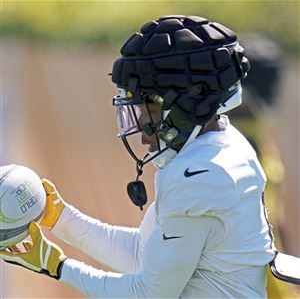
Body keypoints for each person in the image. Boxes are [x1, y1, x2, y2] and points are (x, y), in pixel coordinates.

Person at [0, 15, 276, 298]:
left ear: (191, 99)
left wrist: (56, 266)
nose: (142, 127)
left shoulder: (199, 176)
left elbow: (147, 293)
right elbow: (143, 254)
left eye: (149, 108)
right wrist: (61, 218)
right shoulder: (220, 146)